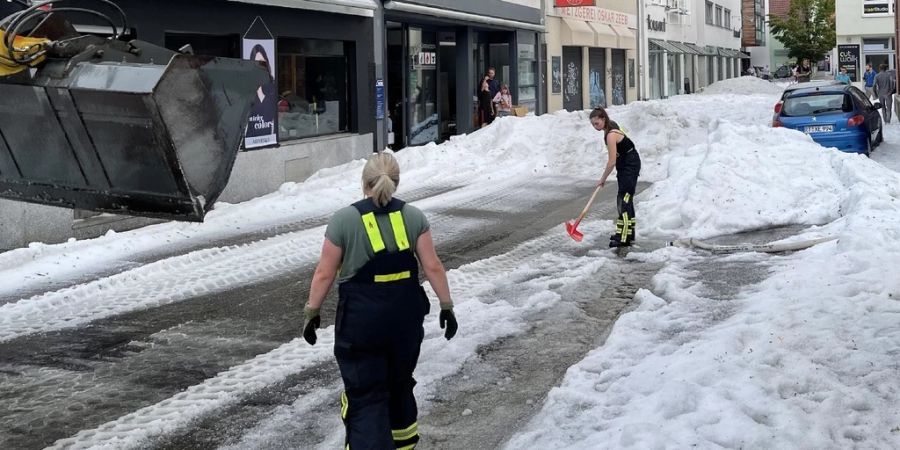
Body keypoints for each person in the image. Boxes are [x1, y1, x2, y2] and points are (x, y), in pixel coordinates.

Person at [302, 152, 458, 449]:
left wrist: (312, 312)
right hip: (405, 321)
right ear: (395, 183)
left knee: (366, 393)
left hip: (361, 322)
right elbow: (433, 265)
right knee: (399, 382)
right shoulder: (414, 217)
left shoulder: (344, 220)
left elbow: (324, 273)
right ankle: (404, 445)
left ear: (365, 183)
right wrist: (446, 306)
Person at [589, 107, 641, 248]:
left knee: (624, 200)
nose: (595, 127)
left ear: (603, 119)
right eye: (593, 124)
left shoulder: (611, 134)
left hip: (629, 166)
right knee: (625, 199)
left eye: (597, 123)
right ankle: (628, 234)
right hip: (626, 165)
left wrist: (603, 179)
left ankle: (624, 238)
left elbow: (611, 161)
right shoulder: (611, 127)